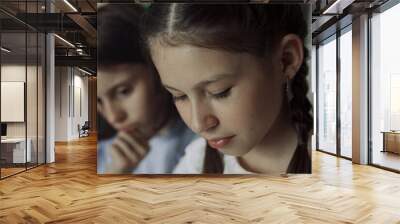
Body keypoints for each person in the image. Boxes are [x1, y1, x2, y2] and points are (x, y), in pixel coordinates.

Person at [142, 4, 313, 174]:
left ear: (286, 60)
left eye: (220, 92)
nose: (198, 124)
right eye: (179, 96)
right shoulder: (195, 163)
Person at [97, 4, 195, 174]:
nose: (114, 117)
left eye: (124, 91)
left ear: (159, 72)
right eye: (98, 101)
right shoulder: (101, 156)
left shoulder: (204, 143)